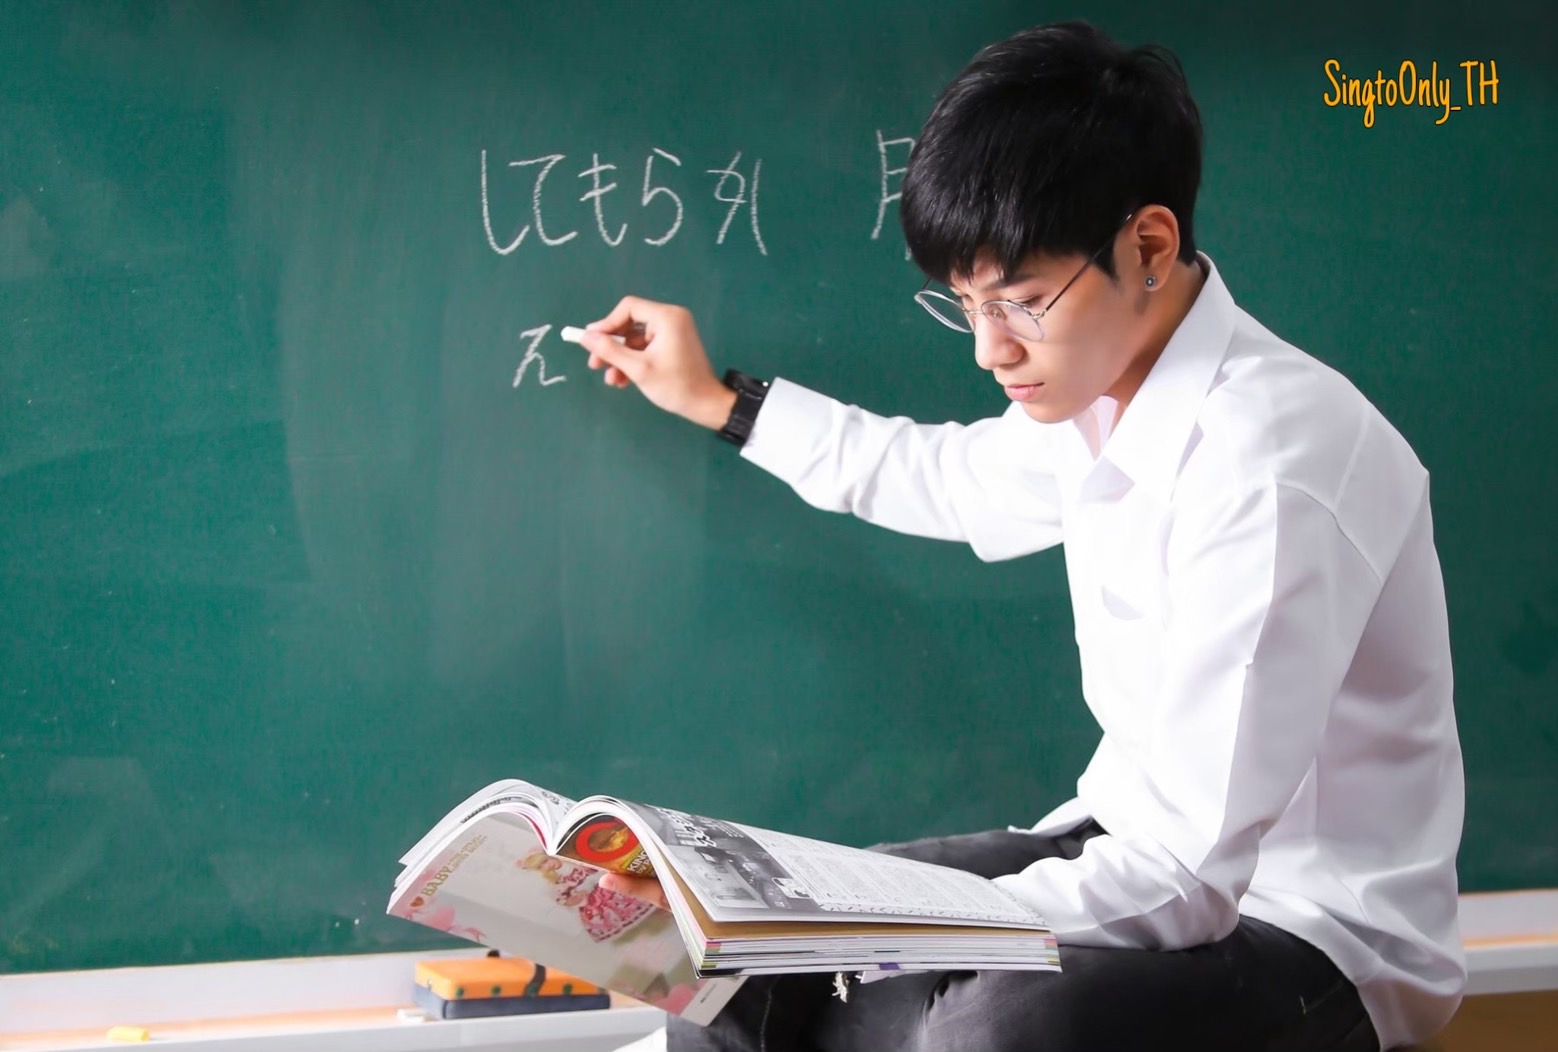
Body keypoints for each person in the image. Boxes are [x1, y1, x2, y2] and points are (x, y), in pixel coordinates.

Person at [576, 21, 1465, 1052]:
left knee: (983, 1025)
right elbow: (941, 478)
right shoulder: (1101, 389)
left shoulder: (1270, 462)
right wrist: (716, 399)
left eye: (1022, 302)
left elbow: (1190, 872)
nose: (990, 350)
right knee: (754, 958)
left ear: (1148, 246)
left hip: (1314, 927)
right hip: (1127, 846)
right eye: (965, 306)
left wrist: (905, 931)